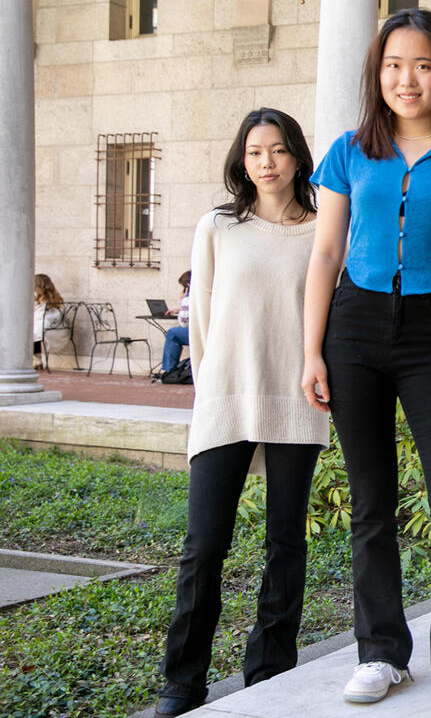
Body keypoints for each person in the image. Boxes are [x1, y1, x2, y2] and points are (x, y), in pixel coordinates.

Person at [300, 8, 431, 718]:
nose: (407, 78)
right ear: (377, 74)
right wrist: (311, 351)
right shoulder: (349, 152)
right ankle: (381, 653)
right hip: (353, 328)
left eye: (421, 64)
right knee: (371, 504)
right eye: (394, 65)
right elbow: (326, 252)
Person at [154, 108, 329, 718]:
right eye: (255, 152)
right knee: (204, 544)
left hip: (297, 399)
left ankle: (271, 668)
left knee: (286, 542)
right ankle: (183, 680)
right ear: (242, 160)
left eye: (278, 150)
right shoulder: (217, 227)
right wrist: (213, 389)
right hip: (227, 398)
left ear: (297, 157)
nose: (267, 162)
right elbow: (199, 319)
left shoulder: (322, 230)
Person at [161, 271, 192, 374]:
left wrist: (183, 301)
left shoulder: (188, 298)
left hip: (198, 333)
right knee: (174, 333)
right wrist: (179, 310)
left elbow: (184, 322)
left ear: (187, 285)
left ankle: (170, 371)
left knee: (172, 333)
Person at [32, 273, 65, 366]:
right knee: (31, 329)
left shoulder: (43, 300)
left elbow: (40, 315)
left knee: (29, 331)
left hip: (49, 327)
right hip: (53, 326)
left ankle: (36, 358)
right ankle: (36, 358)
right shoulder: (54, 297)